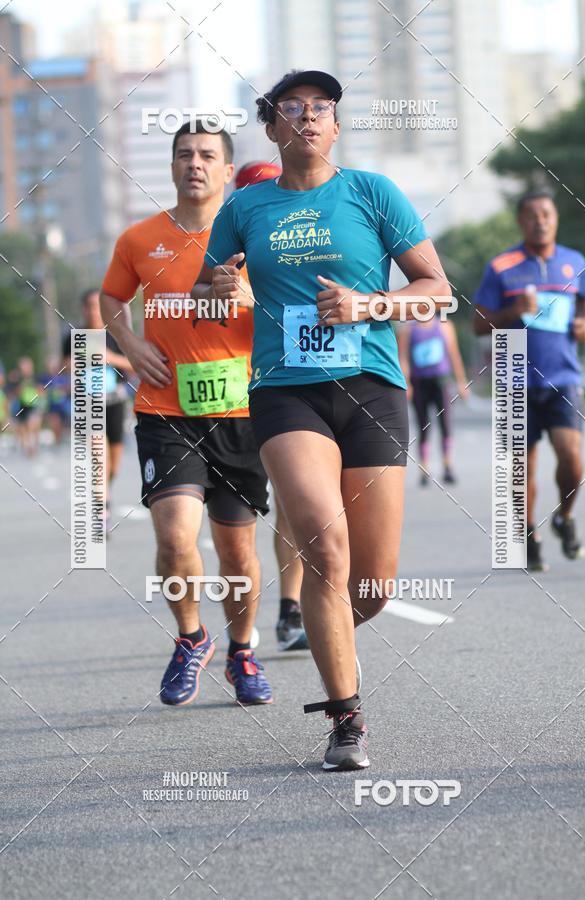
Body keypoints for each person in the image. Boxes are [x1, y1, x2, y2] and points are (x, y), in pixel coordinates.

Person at [194, 70, 451, 769]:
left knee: (371, 586)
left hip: (372, 388)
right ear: (272, 128)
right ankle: (346, 717)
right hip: (287, 393)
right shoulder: (244, 207)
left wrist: (370, 305)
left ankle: (330, 625)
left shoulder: (372, 192)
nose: (307, 117)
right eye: (292, 108)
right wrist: (221, 289)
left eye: (321, 108)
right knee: (324, 550)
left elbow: (437, 291)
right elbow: (205, 298)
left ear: (336, 126)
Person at [100, 121, 272, 707]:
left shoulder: (257, 236)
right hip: (165, 411)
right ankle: (192, 637)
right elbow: (111, 297)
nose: (194, 163)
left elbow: (295, 308)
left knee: (237, 551)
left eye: (206, 155)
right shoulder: (139, 239)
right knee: (176, 537)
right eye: (184, 154)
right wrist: (129, 343)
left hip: (242, 412)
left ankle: (242, 650)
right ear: (172, 166)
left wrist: (252, 299)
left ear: (228, 170)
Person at [474, 189, 585, 571]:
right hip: (514, 373)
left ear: (555, 219)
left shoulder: (574, 261)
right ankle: (528, 534)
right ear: (520, 221)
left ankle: (564, 516)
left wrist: (583, 321)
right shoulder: (502, 266)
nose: (540, 221)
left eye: (547, 214)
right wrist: (513, 310)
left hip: (562, 375)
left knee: (572, 457)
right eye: (532, 215)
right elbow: (478, 323)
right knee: (521, 468)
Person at [235, 160, 308, 652]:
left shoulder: (296, 254)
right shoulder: (221, 253)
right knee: (235, 525)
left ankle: (290, 610)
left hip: (279, 394)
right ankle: (240, 625)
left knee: (292, 507)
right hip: (226, 407)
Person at [63, 289, 134, 525]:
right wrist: (76, 363)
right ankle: (102, 508)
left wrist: (110, 358)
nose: (94, 311)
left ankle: (104, 490)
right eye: (90, 306)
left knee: (114, 460)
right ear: (84, 309)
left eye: (98, 306)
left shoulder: (116, 335)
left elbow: (135, 365)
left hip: (115, 402)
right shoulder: (74, 336)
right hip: (88, 403)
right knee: (97, 454)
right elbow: (64, 367)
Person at [398, 315, 469, 485]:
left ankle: (448, 465)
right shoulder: (408, 330)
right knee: (423, 426)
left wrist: (461, 381)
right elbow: (403, 359)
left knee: (445, 424)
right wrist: (406, 383)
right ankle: (424, 469)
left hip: (441, 382)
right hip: (419, 383)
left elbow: (454, 354)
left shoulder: (444, 326)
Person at [9, 357, 43, 457]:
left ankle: (34, 446)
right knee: (23, 427)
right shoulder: (17, 379)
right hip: (22, 406)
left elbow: (42, 391)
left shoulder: (36, 378)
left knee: (33, 423)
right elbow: (13, 393)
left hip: (33, 405)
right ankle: (27, 447)